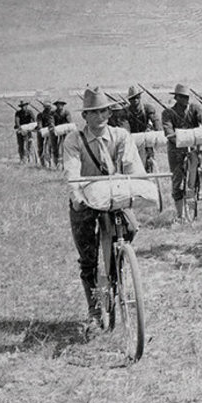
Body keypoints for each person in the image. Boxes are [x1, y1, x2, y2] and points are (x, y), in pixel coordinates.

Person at [61, 87, 144, 330]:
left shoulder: (120, 136)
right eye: (94, 112)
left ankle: (116, 272)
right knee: (87, 256)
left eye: (104, 110)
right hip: (86, 199)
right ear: (85, 116)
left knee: (130, 229)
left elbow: (133, 167)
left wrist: (135, 183)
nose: (101, 116)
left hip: (113, 197)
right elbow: (72, 171)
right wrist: (77, 196)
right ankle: (95, 311)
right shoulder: (74, 140)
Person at [161, 83, 202, 221]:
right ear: (176, 97)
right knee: (177, 178)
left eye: (187, 97)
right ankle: (180, 215)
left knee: (200, 165)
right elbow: (168, 131)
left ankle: (201, 190)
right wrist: (176, 139)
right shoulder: (168, 113)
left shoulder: (195, 109)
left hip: (194, 146)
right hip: (176, 149)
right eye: (183, 97)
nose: (186, 100)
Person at [118, 86, 161, 173]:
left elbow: (156, 122)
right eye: (132, 98)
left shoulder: (148, 108)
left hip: (146, 138)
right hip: (132, 140)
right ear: (129, 100)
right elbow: (125, 129)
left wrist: (158, 133)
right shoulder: (124, 112)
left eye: (137, 97)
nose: (135, 100)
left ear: (140, 97)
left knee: (149, 161)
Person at [51, 98, 72, 167]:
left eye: (61, 105)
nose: (60, 106)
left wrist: (68, 127)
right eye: (58, 105)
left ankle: (66, 160)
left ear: (63, 105)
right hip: (56, 130)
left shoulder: (66, 112)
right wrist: (53, 126)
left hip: (65, 129)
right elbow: (52, 121)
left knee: (65, 144)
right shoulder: (53, 113)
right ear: (56, 105)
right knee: (54, 144)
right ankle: (56, 160)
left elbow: (69, 121)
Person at [35, 100, 54, 167]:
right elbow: (39, 123)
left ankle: (50, 161)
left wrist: (51, 126)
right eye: (46, 108)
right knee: (40, 146)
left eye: (49, 107)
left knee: (50, 146)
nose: (48, 109)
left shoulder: (52, 114)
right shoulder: (40, 115)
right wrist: (40, 129)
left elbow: (52, 122)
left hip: (50, 131)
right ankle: (42, 161)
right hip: (42, 131)